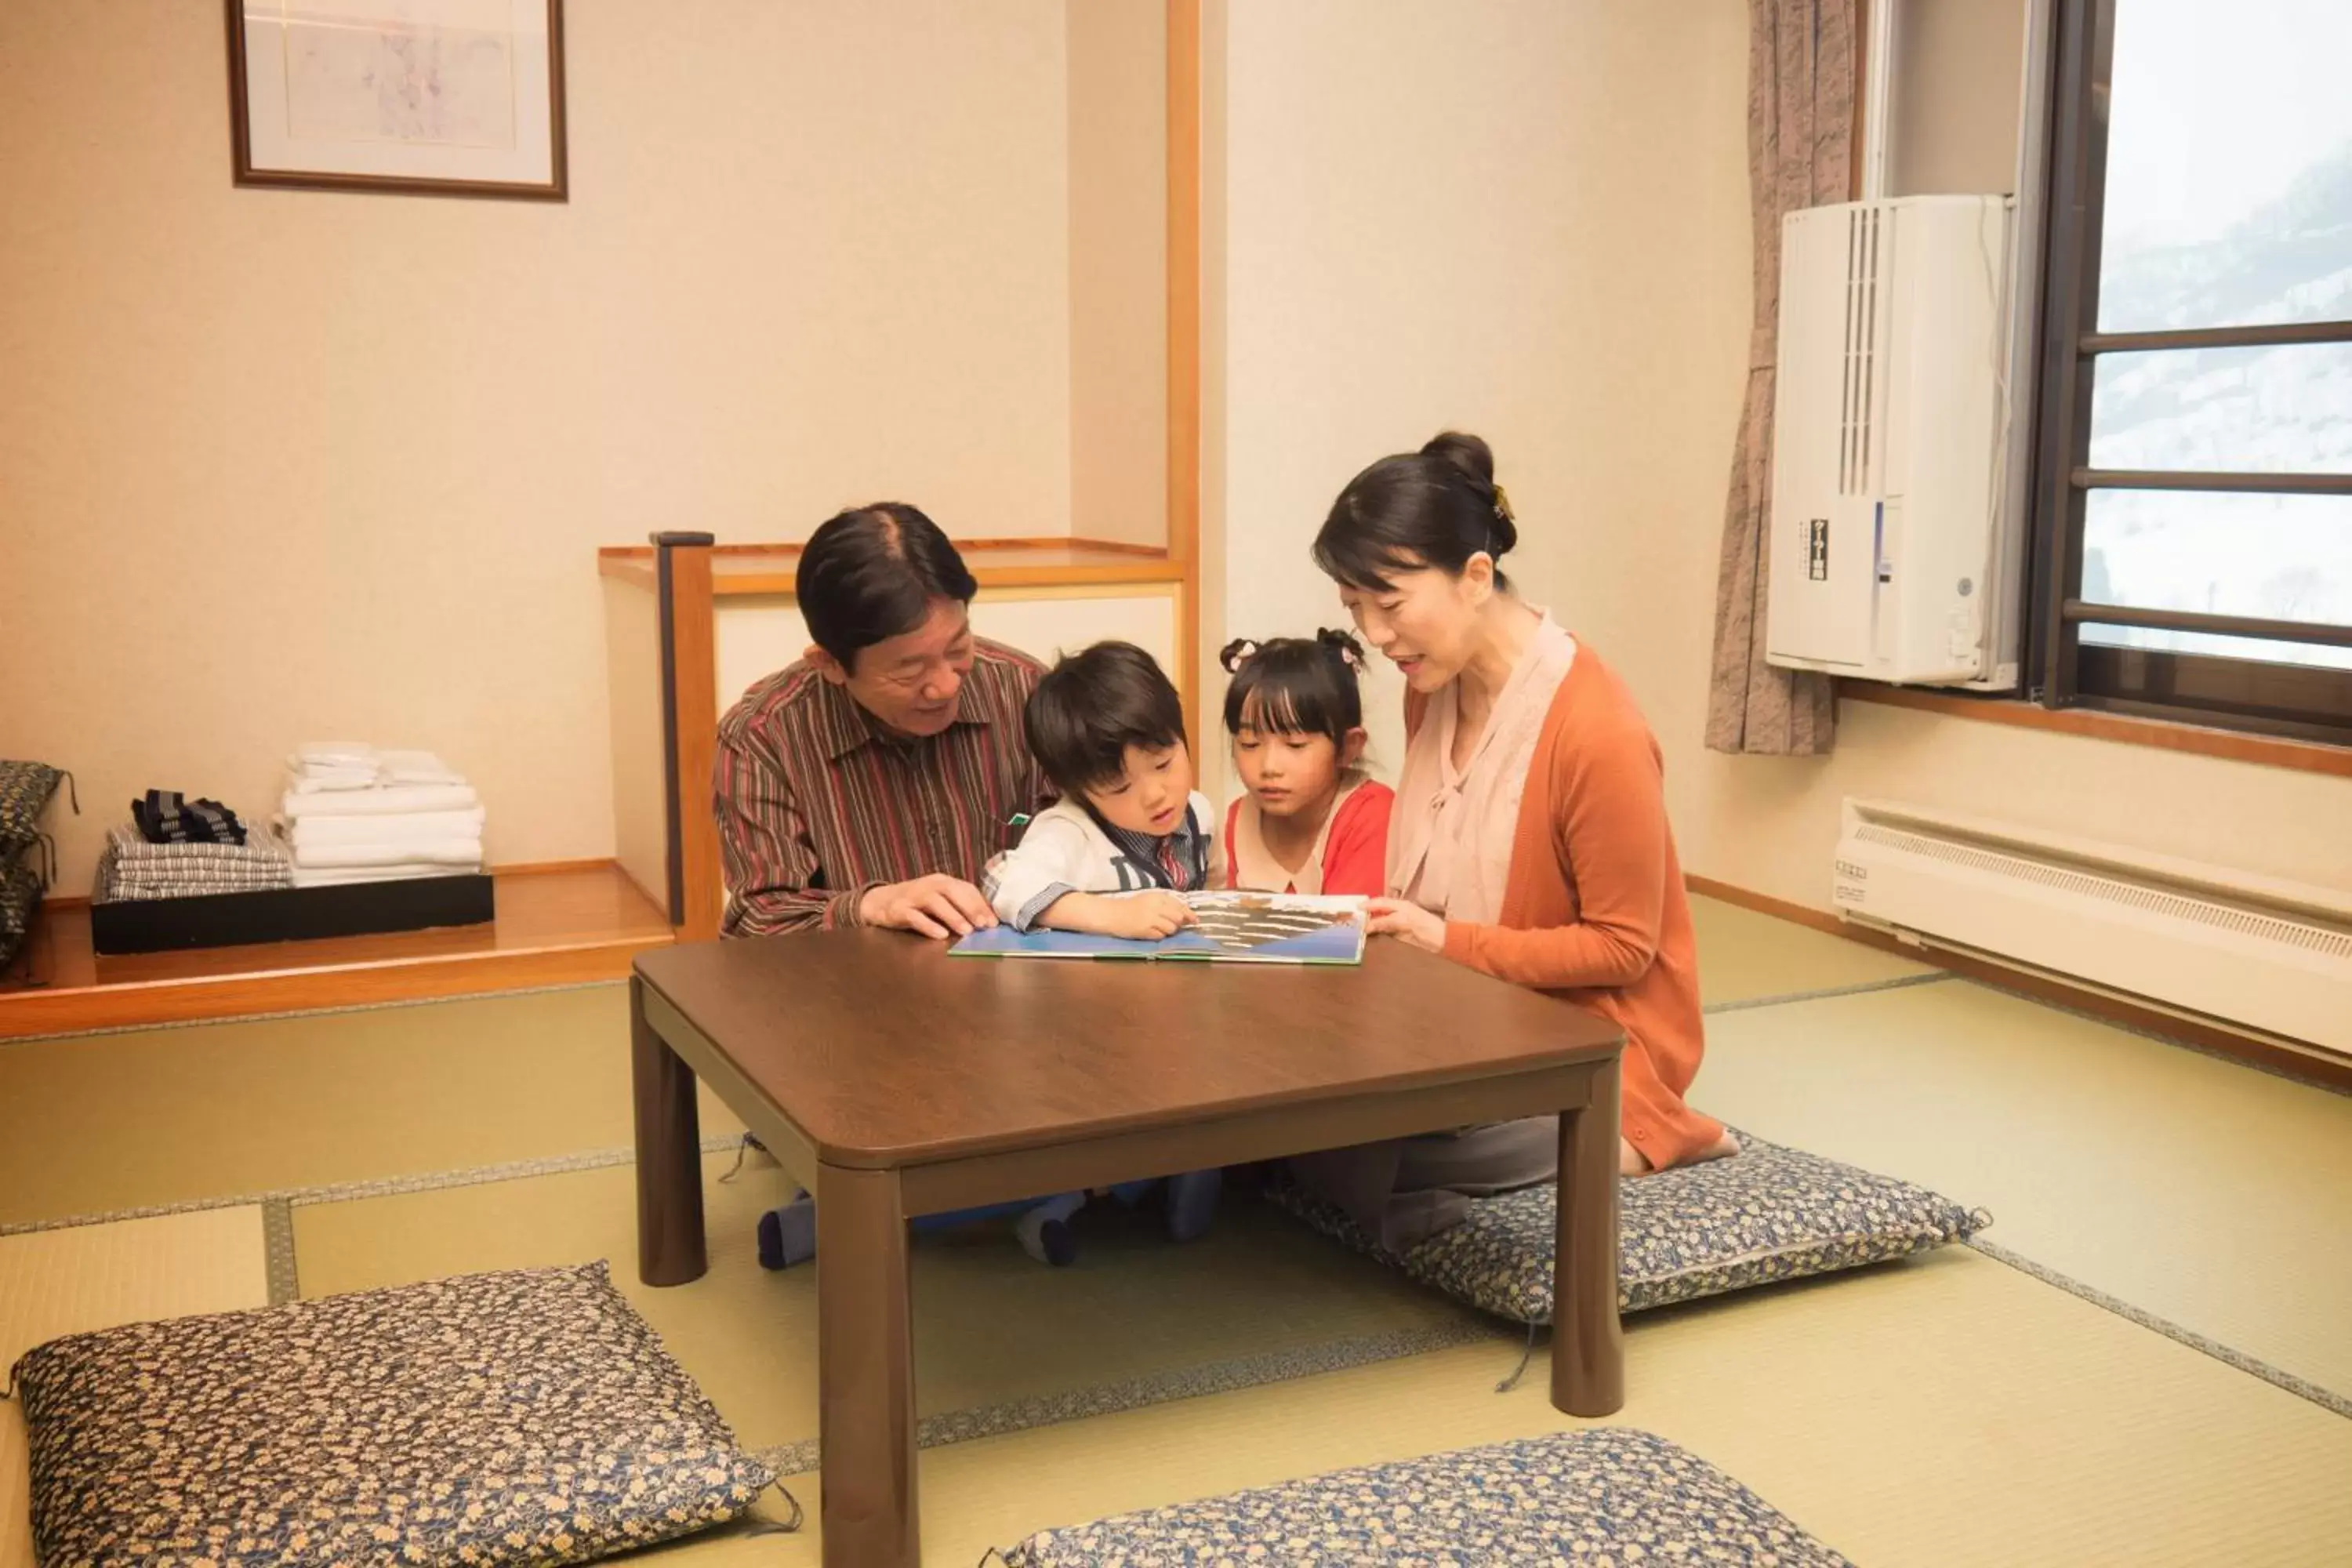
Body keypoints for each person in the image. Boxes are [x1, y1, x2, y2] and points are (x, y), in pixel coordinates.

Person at [1290, 431, 1737, 1253]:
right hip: (1463, 1012)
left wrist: (1444, 941)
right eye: (1356, 609)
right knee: (1287, 1100)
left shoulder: (1595, 731)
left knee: (1344, 1144)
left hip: (1589, 1037)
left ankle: (1651, 1129)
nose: (1378, 635)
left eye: (1389, 605)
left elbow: (1622, 949)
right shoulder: (1431, 689)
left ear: (1474, 576)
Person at [713, 501, 1056, 1269]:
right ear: (830, 662)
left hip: (1027, 1018)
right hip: (864, 1036)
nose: (944, 685)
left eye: (957, 648)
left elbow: (1106, 839)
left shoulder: (1024, 690)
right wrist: (870, 902)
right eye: (909, 668)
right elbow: (758, 925)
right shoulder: (765, 733)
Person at [978, 640, 1224, 1252]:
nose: (1154, 796)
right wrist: (1110, 916)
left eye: (1165, 763)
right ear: (1076, 786)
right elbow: (1006, 883)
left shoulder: (1198, 815)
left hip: (1171, 1028)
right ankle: (1074, 1201)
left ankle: (1171, 1185)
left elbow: (1212, 888)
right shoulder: (1068, 830)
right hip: (1082, 1036)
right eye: (1118, 785)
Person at [1217, 630, 1393, 897]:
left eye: (1295, 745)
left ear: (1348, 747)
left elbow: (1348, 934)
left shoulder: (1372, 813)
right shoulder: (1240, 817)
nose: (1269, 767)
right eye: (1250, 743)